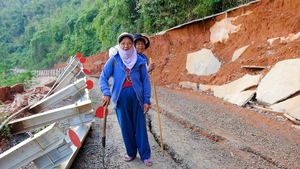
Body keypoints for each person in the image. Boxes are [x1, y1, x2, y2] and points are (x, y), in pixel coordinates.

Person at [99, 32, 153, 166]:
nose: (126, 46)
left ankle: (145, 155)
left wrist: (146, 100)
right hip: (120, 99)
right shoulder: (114, 60)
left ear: (132, 44)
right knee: (126, 127)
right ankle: (131, 152)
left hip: (138, 98)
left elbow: (145, 81)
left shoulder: (140, 59)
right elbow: (103, 78)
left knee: (140, 126)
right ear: (119, 44)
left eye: (129, 43)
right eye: (123, 43)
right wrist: (106, 92)